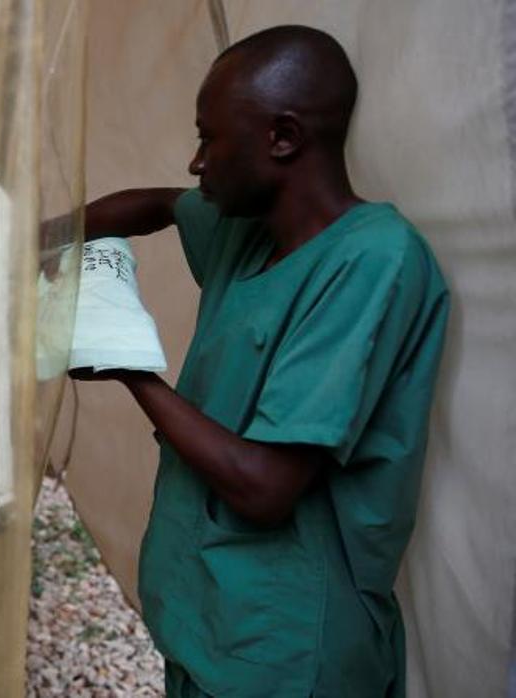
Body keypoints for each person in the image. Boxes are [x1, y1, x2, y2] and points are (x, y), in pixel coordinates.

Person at [70, 26, 450, 697]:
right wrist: (47, 237)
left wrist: (121, 359)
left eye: (208, 138)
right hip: (207, 624)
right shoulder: (247, 236)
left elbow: (266, 488)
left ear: (282, 137)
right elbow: (159, 204)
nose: (196, 162)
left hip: (285, 652)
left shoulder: (373, 262)